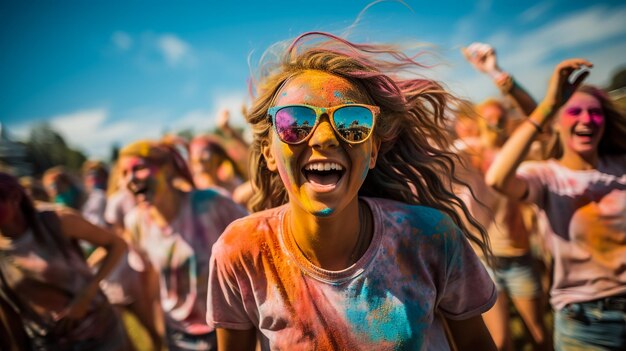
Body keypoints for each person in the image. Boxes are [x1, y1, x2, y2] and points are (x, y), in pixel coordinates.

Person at [207, 32, 497, 350]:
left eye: (352, 122)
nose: (324, 139)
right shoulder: (241, 252)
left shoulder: (430, 237)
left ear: (373, 150)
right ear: (268, 153)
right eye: (296, 123)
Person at [485, 58, 626, 350]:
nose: (586, 120)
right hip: (585, 325)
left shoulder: (621, 166)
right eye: (574, 112)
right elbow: (497, 178)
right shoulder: (547, 175)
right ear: (557, 124)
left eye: (595, 113)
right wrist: (548, 104)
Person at [460, 43, 552, 350]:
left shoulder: (521, 157)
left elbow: (541, 124)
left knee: (539, 335)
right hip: (483, 259)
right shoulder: (468, 157)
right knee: (499, 342)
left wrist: (494, 72)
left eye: (499, 118)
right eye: (488, 119)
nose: (495, 124)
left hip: (518, 255)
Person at [118, 140, 248, 351]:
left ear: (167, 169)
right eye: (123, 173)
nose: (130, 179)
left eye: (139, 168)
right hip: (178, 333)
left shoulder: (212, 203)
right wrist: (159, 330)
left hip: (230, 326)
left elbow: (254, 246)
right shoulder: (136, 223)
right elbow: (151, 281)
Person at [0, 172, 129, 350]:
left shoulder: (56, 221)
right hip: (49, 344)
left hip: (100, 334)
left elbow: (117, 244)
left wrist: (86, 295)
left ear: (14, 197)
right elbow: (9, 312)